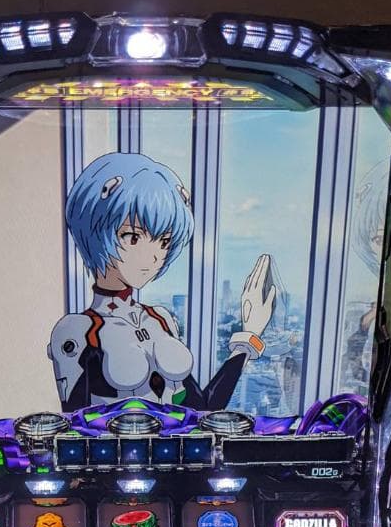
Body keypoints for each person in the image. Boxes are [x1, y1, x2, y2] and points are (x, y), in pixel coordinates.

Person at [48, 151, 276, 411]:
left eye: (164, 242)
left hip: (181, 440)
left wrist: (250, 335)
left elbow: (202, 410)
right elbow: (74, 426)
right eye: (133, 237)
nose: (153, 255)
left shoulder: (160, 319)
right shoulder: (78, 331)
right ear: (95, 229)